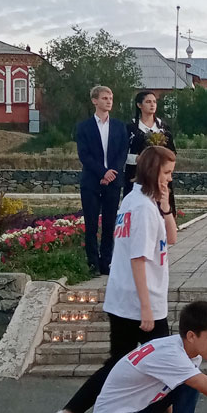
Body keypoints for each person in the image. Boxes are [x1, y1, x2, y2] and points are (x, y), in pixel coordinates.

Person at [47, 146, 177, 413]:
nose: (170, 179)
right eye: (167, 173)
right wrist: (146, 307)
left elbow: (171, 239)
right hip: (139, 302)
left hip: (127, 300)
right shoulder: (141, 208)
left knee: (120, 365)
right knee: (164, 369)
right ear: (152, 172)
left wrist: (166, 205)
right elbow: (138, 259)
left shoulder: (138, 201)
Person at [76, 85, 128, 275]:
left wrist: (111, 173)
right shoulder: (84, 127)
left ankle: (107, 263)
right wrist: (102, 173)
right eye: (105, 98)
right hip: (91, 182)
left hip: (113, 182)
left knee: (109, 223)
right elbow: (84, 155)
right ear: (95, 101)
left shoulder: (119, 127)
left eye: (111, 98)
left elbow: (122, 152)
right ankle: (93, 263)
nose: (109, 101)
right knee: (91, 224)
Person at [123, 90, 177, 213]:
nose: (152, 105)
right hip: (137, 174)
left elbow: (172, 152)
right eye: (148, 102)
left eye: (154, 102)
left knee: (162, 206)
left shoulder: (163, 128)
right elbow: (122, 152)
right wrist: (137, 159)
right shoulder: (131, 128)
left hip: (160, 174)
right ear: (139, 105)